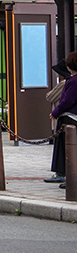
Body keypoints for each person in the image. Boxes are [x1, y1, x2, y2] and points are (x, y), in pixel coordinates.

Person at [47, 51, 77, 186]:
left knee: (66, 149)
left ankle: (69, 177)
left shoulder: (73, 81)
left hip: (69, 118)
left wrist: (55, 112)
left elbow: (67, 101)